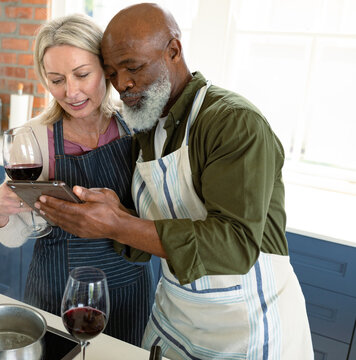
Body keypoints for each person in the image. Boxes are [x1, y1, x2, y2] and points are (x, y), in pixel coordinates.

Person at [36, 3, 314, 359]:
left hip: (246, 329)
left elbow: (235, 245)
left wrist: (118, 224)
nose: (122, 83)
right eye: (112, 72)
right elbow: (150, 227)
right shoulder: (146, 126)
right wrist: (108, 214)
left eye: (133, 67)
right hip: (174, 321)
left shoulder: (232, 122)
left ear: (173, 51)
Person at [0, 14, 153, 346]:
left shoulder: (137, 128)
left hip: (128, 292)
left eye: (82, 75)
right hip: (56, 293)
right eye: (56, 79)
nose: (71, 91)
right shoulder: (32, 138)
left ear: (105, 69)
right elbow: (15, 237)